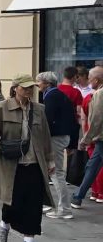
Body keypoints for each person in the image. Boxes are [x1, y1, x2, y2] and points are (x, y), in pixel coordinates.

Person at [0, 74, 54, 242]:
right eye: (25, 87)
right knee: (12, 201)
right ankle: (5, 223)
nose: (29, 91)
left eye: (32, 87)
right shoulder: (1, 108)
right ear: (15, 88)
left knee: (33, 206)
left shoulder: (39, 109)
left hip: (34, 164)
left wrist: (50, 160)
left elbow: (45, 137)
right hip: (10, 164)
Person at [38, 71, 79, 219]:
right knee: (52, 172)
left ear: (47, 83)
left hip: (55, 138)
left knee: (56, 173)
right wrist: (72, 144)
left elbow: (47, 121)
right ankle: (50, 204)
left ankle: (64, 209)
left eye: (39, 82)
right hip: (62, 137)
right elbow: (74, 120)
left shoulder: (52, 97)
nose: (37, 84)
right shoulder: (59, 95)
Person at [72, 66, 103, 209]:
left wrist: (86, 138)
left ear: (97, 80)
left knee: (92, 166)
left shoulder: (99, 94)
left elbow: (96, 119)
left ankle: (78, 196)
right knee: (92, 166)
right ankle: (78, 196)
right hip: (100, 139)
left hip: (101, 138)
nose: (89, 82)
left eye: (90, 79)